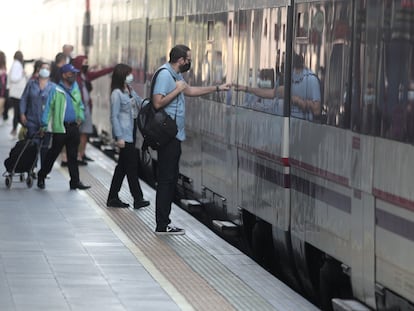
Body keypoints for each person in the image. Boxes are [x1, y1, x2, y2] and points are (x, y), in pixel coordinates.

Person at [152, 44, 230, 235]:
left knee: (170, 179)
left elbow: (190, 91)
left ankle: (164, 222)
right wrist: (176, 91)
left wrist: (218, 88)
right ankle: (162, 224)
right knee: (166, 180)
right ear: (180, 60)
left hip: (174, 135)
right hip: (167, 135)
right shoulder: (165, 75)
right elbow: (157, 102)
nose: (189, 62)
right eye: (188, 59)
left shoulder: (175, 75)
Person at [37, 63, 90, 191]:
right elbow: (48, 108)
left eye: (74, 73)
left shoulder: (76, 88)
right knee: (53, 153)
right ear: (64, 75)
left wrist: (80, 117)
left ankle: (75, 181)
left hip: (73, 127)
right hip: (60, 128)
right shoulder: (55, 90)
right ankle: (42, 175)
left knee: (73, 155)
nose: (73, 76)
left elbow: (81, 105)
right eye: (71, 73)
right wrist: (44, 125)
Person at [107, 63, 150, 209]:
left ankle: (113, 197)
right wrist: (119, 137)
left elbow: (140, 103)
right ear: (121, 76)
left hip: (131, 132)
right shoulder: (116, 94)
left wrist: (157, 102)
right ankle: (138, 198)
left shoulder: (129, 90)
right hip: (124, 135)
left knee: (122, 167)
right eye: (128, 74)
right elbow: (114, 117)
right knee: (131, 166)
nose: (131, 76)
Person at [235, 53, 321, 121]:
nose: (281, 68)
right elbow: (272, 93)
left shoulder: (311, 80)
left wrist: (298, 101)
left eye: (283, 64)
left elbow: (317, 110)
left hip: (304, 128)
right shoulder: (288, 79)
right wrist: (246, 89)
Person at [72, 55, 113, 164]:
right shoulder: (75, 77)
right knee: (77, 134)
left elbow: (98, 73)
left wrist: (111, 68)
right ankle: (75, 156)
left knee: (85, 132)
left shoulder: (85, 76)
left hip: (86, 108)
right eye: (84, 62)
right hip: (78, 109)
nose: (87, 65)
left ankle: (81, 154)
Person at [20, 62, 55, 167]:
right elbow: (24, 99)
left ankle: (43, 171)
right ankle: (32, 167)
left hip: (47, 122)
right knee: (33, 144)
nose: (45, 70)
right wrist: (22, 113)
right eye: (43, 68)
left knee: (45, 146)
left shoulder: (53, 87)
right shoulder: (31, 84)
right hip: (32, 119)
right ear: (39, 70)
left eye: (47, 68)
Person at [7, 51, 27, 137]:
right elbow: (14, 78)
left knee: (17, 112)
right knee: (18, 112)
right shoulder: (17, 65)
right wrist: (22, 74)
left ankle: (15, 129)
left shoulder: (15, 64)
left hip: (15, 93)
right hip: (18, 93)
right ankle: (22, 128)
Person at [0, 51, 7, 126]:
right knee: (1, 103)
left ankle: (1, 117)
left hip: (2, 88)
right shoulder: (4, 67)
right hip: (2, 88)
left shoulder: (4, 66)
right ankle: (1, 117)